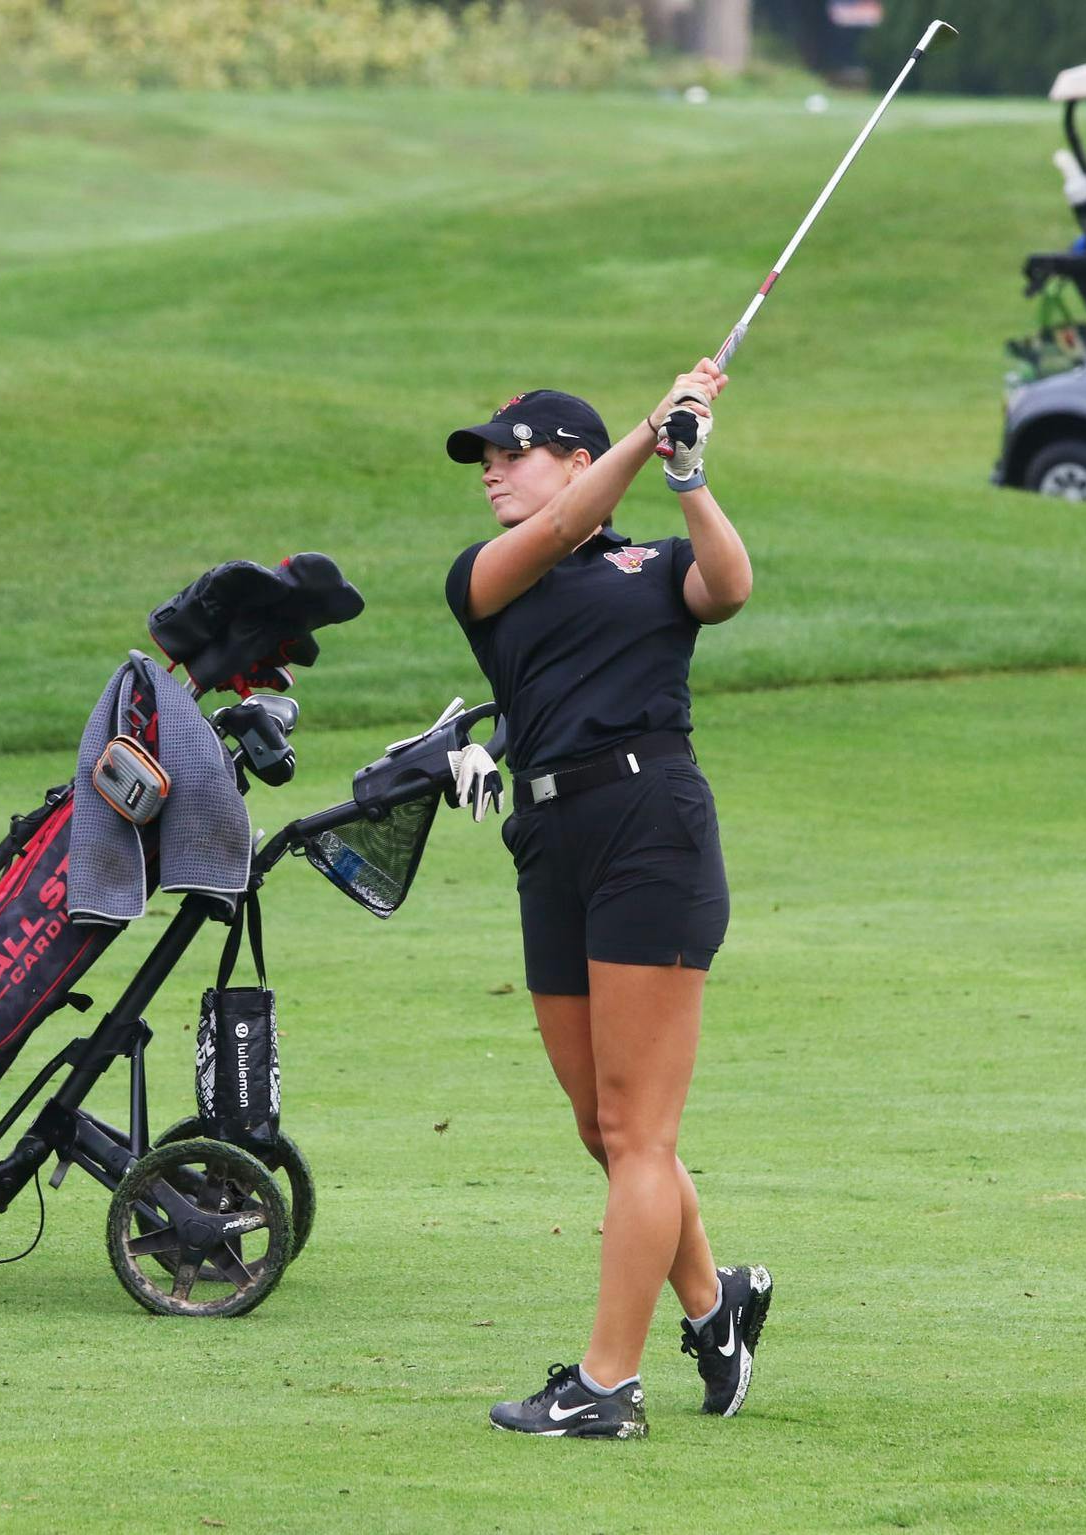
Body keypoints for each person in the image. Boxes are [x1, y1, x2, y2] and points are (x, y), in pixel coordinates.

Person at [442, 363, 768, 1439]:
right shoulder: (489, 574)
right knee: (601, 1124)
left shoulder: (650, 558)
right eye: (485, 456)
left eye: (513, 450)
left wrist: (688, 471)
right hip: (548, 838)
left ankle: (606, 1384)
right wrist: (647, 426)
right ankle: (717, 1306)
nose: (492, 470)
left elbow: (726, 588)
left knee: (637, 1127)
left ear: (573, 458)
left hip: (647, 828)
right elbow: (564, 526)